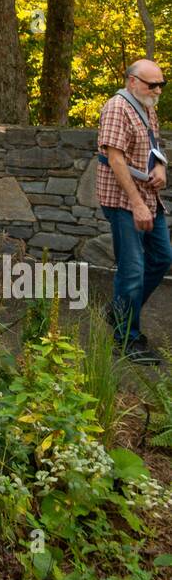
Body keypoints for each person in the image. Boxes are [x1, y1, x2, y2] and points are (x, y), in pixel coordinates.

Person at [97, 60, 171, 363]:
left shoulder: (146, 106)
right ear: (131, 81)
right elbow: (114, 159)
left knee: (162, 257)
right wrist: (137, 204)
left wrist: (161, 166)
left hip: (148, 196)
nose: (157, 90)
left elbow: (155, 145)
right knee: (132, 271)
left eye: (161, 85)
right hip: (123, 199)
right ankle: (127, 339)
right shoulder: (117, 108)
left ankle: (118, 311)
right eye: (151, 84)